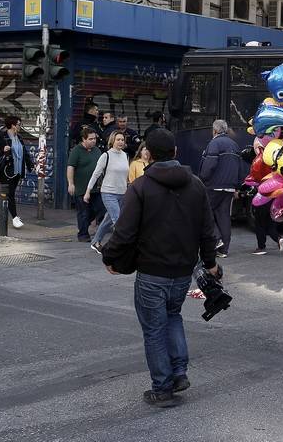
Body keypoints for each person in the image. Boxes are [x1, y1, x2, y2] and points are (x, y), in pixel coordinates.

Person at [101, 129, 219, 408]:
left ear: (148, 155)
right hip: (182, 271)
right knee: (173, 316)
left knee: (154, 328)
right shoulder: (195, 185)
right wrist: (211, 262)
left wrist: (110, 258)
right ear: (175, 153)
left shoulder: (140, 187)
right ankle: (178, 372)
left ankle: (162, 387)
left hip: (152, 271)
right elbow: (207, 230)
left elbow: (124, 232)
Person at [199, 120, 242, 257]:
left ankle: (216, 240)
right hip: (229, 187)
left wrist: (202, 179)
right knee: (224, 217)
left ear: (215, 131)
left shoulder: (214, 143)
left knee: (204, 212)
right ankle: (223, 250)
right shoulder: (234, 145)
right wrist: (237, 186)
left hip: (214, 186)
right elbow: (240, 168)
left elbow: (209, 165)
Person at [85, 131, 130, 254]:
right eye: (118, 140)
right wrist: (88, 191)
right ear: (112, 141)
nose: (120, 142)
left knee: (108, 220)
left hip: (122, 193)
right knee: (118, 220)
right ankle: (119, 247)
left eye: (122, 140)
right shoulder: (106, 155)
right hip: (108, 192)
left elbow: (126, 176)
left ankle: (96, 242)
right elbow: (96, 174)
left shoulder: (125, 156)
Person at [0, 115, 35, 229]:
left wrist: (30, 165)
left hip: (17, 171)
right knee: (10, 195)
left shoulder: (19, 137)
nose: (20, 126)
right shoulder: (2, 137)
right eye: (19, 124)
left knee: (9, 193)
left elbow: (25, 153)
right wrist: (2, 150)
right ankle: (15, 218)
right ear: (13, 125)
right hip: (5, 171)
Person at [67, 126, 106, 243]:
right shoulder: (76, 151)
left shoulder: (97, 151)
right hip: (81, 188)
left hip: (95, 188)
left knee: (101, 208)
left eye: (94, 139)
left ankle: (89, 223)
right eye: (90, 139)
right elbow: (70, 167)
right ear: (83, 139)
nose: (93, 141)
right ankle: (83, 234)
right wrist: (71, 184)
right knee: (83, 212)